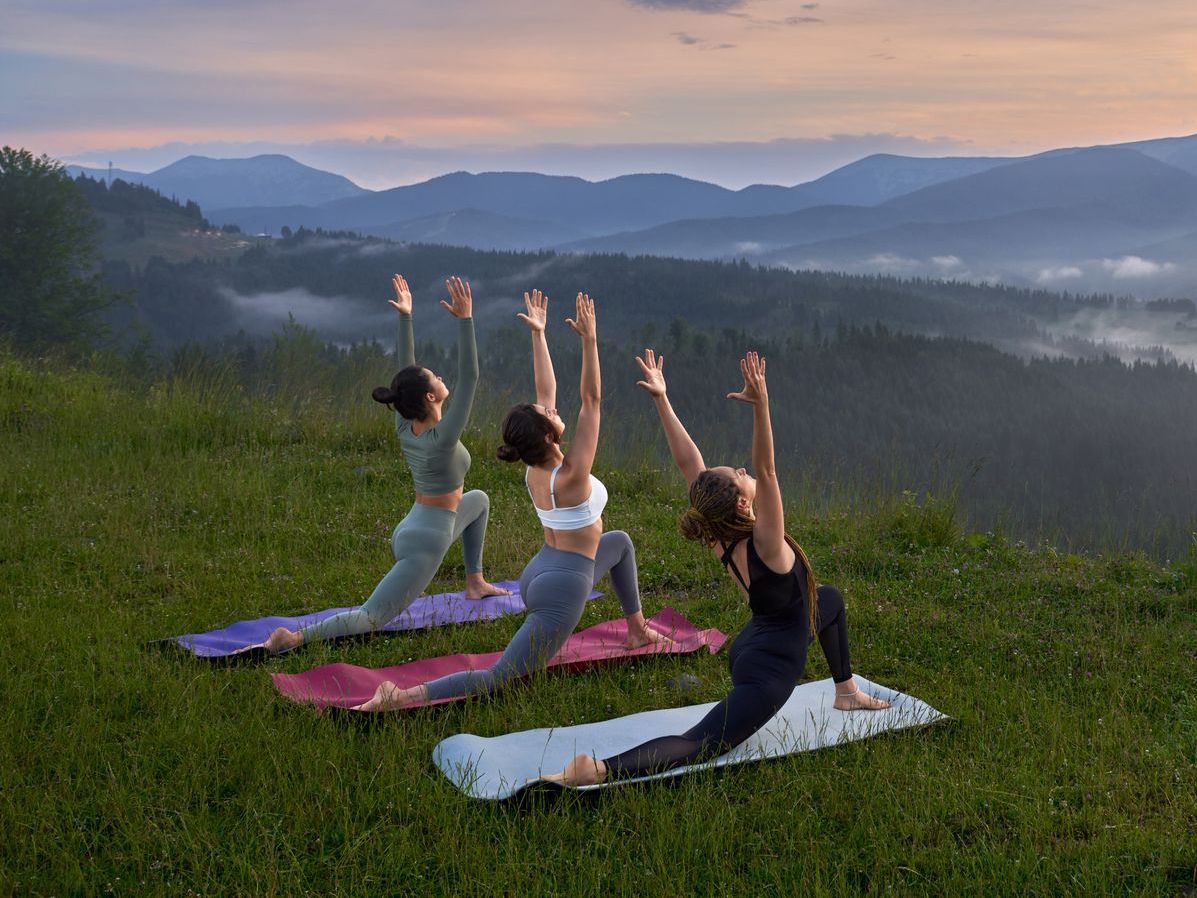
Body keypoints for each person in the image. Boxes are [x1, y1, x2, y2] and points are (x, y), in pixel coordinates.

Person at [546, 348, 889, 785]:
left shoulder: (718, 532)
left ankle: (847, 692)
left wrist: (662, 400)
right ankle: (598, 770)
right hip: (770, 669)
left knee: (832, 600)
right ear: (744, 502)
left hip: (753, 644)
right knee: (699, 744)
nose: (744, 470)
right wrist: (762, 405)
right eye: (739, 474)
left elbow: (691, 464)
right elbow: (766, 469)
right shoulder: (766, 541)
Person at [353, 290, 668, 710]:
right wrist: (590, 341)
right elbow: (592, 400)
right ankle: (400, 697)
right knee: (499, 677)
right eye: (550, 414)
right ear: (549, 434)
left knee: (621, 542)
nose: (553, 410)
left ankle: (637, 629)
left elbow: (547, 388)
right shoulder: (571, 474)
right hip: (564, 587)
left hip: (540, 570)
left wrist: (539, 335)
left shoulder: (538, 466)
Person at [262, 275, 506, 653]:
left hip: (414, 524)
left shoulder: (405, 422)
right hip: (427, 541)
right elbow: (471, 376)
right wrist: (465, 320)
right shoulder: (442, 439)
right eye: (435, 377)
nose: (442, 377)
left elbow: (405, 375)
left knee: (480, 499)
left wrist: (406, 318)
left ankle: (475, 581)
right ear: (431, 395)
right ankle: (295, 638)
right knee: (373, 617)